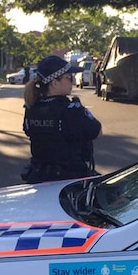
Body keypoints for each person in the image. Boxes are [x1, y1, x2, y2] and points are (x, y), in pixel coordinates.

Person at [22, 55, 102, 183]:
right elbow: (97, 131)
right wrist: (81, 109)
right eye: (69, 78)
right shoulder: (71, 110)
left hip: (39, 178)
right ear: (54, 82)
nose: (73, 81)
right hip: (69, 182)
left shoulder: (32, 108)